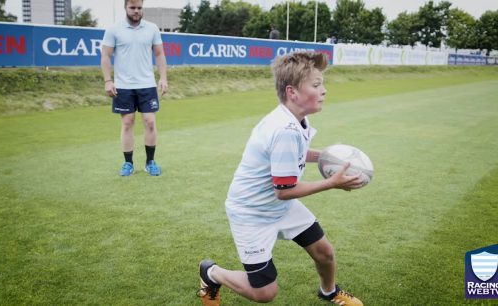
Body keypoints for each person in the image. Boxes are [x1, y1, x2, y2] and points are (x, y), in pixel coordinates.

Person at [198, 52, 364, 306]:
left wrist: (328, 157)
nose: (324, 91)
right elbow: (284, 190)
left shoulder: (295, 120)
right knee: (265, 293)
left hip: (280, 207)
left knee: (324, 253)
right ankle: (212, 273)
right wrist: (332, 182)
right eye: (317, 85)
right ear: (292, 92)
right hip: (252, 213)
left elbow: (292, 157)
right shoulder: (284, 130)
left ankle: (329, 292)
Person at [101, 0, 168, 176]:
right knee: (127, 123)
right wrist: (108, 81)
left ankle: (150, 162)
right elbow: (106, 56)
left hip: (147, 84)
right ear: (126, 8)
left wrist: (163, 78)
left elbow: (160, 54)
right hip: (123, 86)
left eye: (139, 8)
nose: (136, 11)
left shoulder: (152, 28)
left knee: (150, 122)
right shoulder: (114, 29)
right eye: (132, 8)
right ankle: (128, 164)